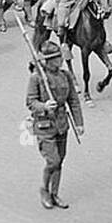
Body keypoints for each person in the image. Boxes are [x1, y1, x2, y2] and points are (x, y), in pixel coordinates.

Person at [25, 39, 85, 209]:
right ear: (47, 60)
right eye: (56, 58)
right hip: (45, 125)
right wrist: (44, 106)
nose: (60, 61)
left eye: (60, 58)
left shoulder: (65, 75)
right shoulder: (36, 78)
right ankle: (44, 190)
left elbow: (73, 100)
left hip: (61, 124)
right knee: (53, 161)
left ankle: (55, 194)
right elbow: (30, 102)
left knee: (60, 160)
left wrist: (79, 123)